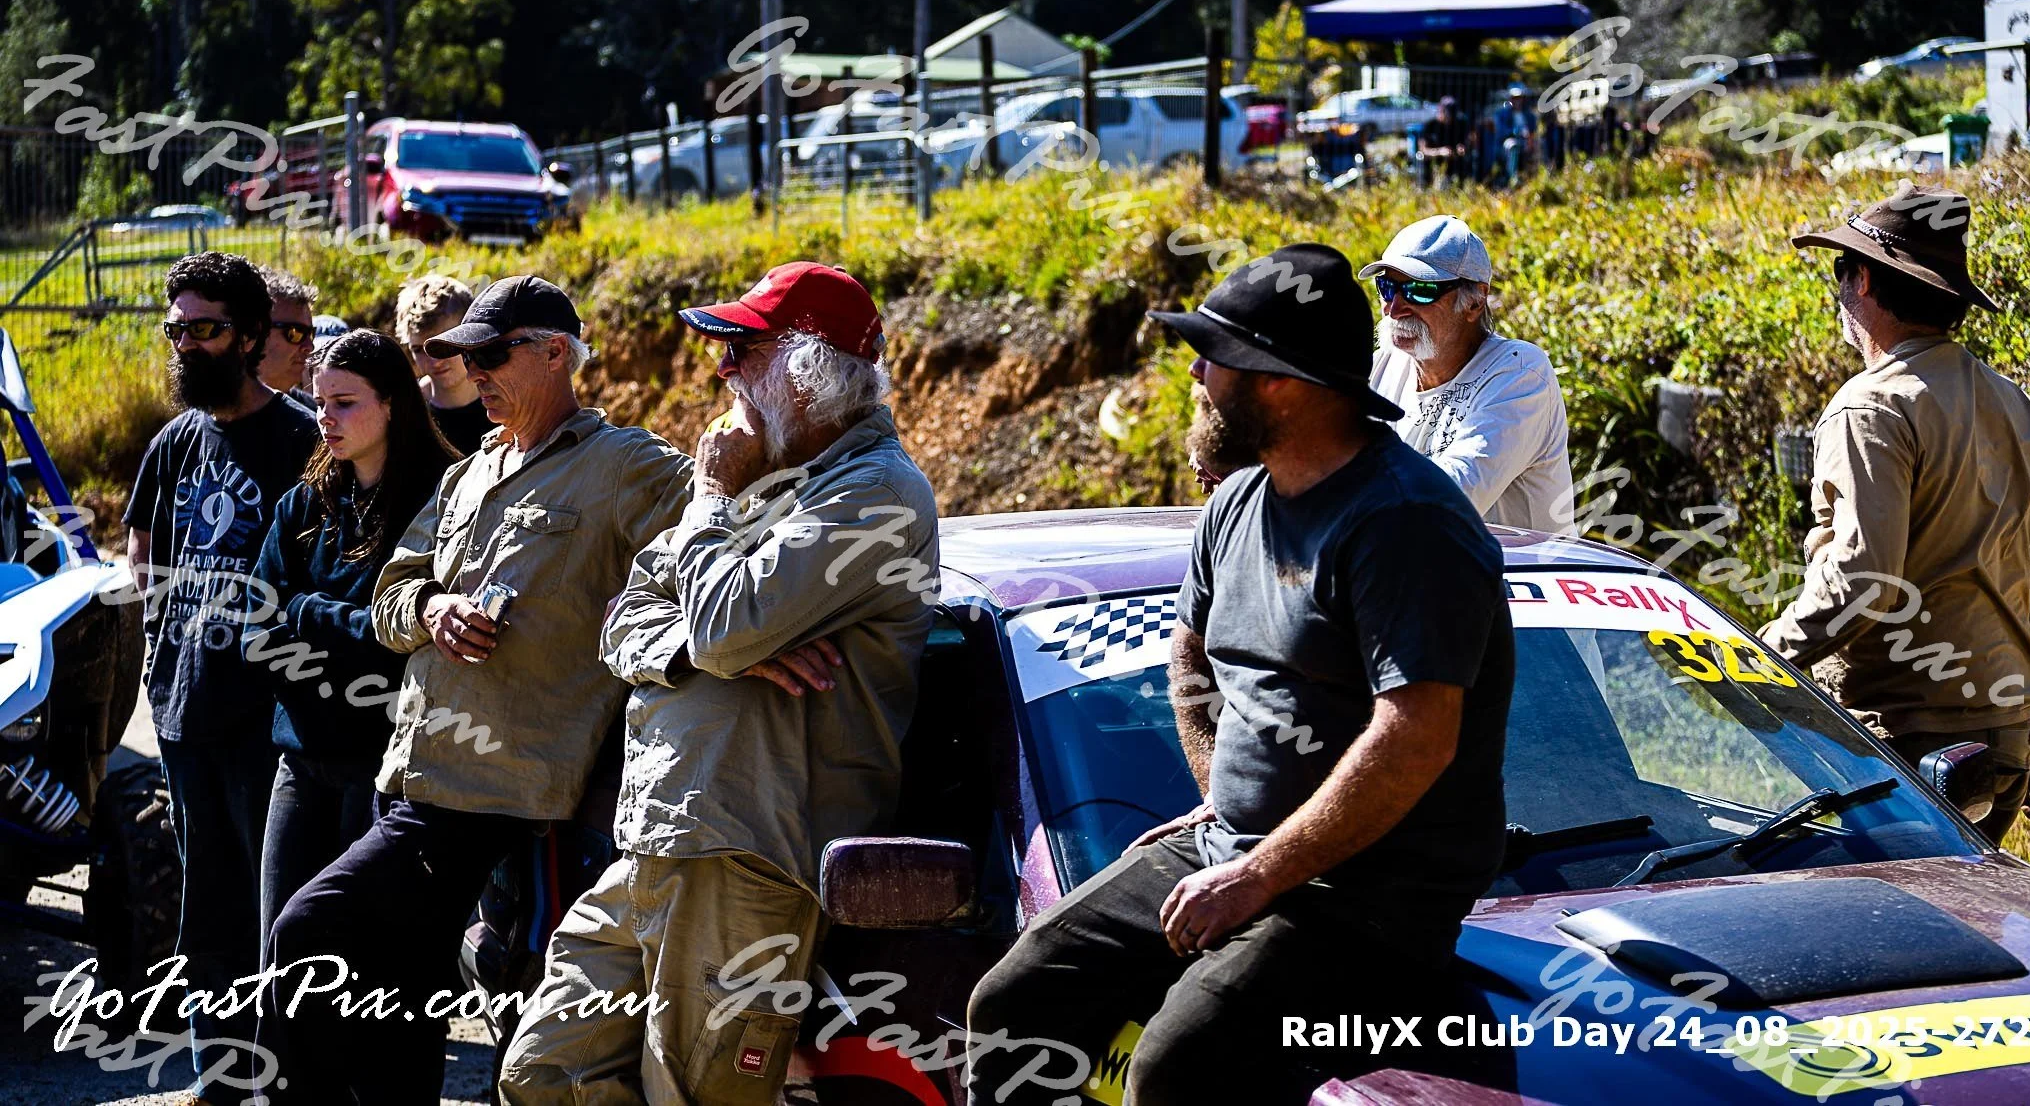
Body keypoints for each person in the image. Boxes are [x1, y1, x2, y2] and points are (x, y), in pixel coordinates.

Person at [966, 244, 1516, 1105]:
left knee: (1180, 1063)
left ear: (1281, 382)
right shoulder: (1235, 503)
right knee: (1014, 1001)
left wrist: (1260, 874)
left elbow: (1416, 735)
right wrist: (1223, 796)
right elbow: (1189, 649)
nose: (1194, 373)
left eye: (1214, 358)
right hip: (1234, 849)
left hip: (1365, 898)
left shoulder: (1406, 523)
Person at [501, 261, 939, 1106]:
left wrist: (707, 509)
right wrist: (699, 645)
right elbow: (625, 619)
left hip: (750, 851)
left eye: (743, 349)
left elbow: (730, 622)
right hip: (661, 836)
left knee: (694, 1098)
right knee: (543, 1072)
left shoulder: (876, 491)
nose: (721, 370)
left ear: (809, 369)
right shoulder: (763, 480)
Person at [264, 275, 696, 1104]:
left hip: (492, 788)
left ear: (556, 354)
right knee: (401, 1010)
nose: (475, 372)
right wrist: (434, 606)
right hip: (411, 772)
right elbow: (392, 597)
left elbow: (719, 548)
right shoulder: (473, 472)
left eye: (493, 354)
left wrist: (755, 635)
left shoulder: (626, 466)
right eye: (467, 355)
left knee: (306, 931)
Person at [1761, 188, 2030, 844]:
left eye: (1840, 273)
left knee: (1883, 930)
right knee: (1975, 922)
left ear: (1862, 278)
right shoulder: (2018, 406)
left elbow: (1862, 578)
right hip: (2012, 728)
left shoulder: (1872, 407)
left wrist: (1756, 661)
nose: (1837, 295)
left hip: (1920, 733)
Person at [123, 251, 320, 1102]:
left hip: (272, 717)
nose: (187, 344)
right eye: (177, 329)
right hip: (182, 706)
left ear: (248, 335)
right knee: (207, 906)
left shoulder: (304, 437)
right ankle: (219, 1076)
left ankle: (286, 1074)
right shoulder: (175, 441)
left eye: (204, 329)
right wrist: (173, 627)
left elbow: (329, 569)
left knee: (280, 906)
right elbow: (142, 547)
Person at [244, 330, 458, 939]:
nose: (325, 419)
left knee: (358, 955)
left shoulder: (443, 504)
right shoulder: (303, 506)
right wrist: (350, 623)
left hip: (386, 765)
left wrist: (306, 610)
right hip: (301, 758)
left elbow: (404, 636)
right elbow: (252, 632)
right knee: (278, 948)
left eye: (345, 403)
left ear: (391, 402)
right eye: (319, 403)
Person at [1364, 216, 1575, 533]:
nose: (1394, 308)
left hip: (1523, 576)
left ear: (1475, 302)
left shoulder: (1519, 372)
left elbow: (1447, 499)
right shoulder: (1380, 368)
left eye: (1419, 290)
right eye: (1387, 287)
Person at [396, 273, 491, 454]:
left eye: (444, 346)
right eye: (419, 349)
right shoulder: (405, 411)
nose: (434, 361)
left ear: (471, 333)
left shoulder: (508, 401)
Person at [258, 265, 319, 401]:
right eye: (295, 333)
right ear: (254, 333)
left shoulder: (317, 418)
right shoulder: (205, 413)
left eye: (310, 333)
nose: (309, 347)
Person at [1418, 95, 1466, 188]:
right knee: (1421, 157)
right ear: (1441, 111)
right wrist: (1440, 151)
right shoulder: (1430, 126)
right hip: (1434, 161)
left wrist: (1461, 148)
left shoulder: (1459, 125)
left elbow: (1465, 143)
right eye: (1448, 113)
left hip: (1452, 162)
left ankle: (1459, 187)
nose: (1450, 118)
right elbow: (1423, 150)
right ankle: (1424, 187)